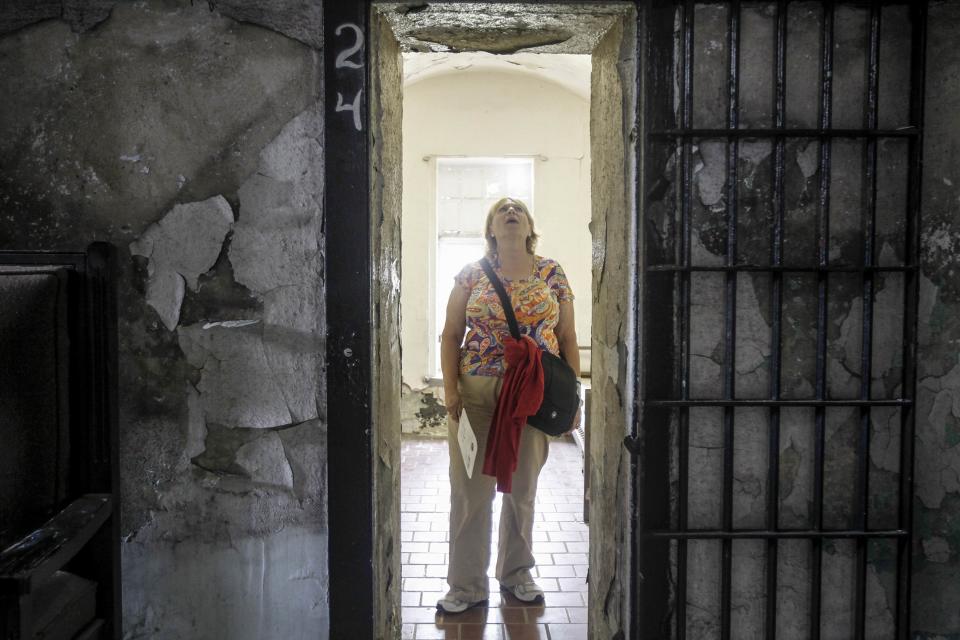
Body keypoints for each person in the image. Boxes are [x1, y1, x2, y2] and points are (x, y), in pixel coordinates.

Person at [437, 197, 581, 614]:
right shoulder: (471, 274)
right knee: (470, 491)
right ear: (492, 228)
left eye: (518, 207)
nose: (511, 211)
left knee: (523, 489)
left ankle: (516, 573)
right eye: (502, 209)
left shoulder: (551, 273)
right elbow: (450, 334)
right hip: (477, 393)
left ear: (530, 224)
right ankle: (465, 585)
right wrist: (450, 390)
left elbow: (568, 337)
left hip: (533, 395)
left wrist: (572, 398)